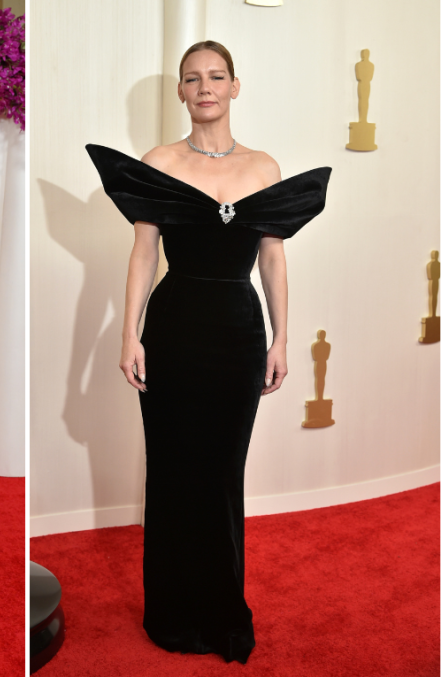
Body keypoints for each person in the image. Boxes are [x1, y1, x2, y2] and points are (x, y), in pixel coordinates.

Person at [86, 41, 330, 662]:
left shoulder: (264, 167)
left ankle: (221, 611)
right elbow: (144, 254)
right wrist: (128, 332)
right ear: (181, 91)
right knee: (172, 470)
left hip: (238, 333)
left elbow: (273, 257)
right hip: (173, 328)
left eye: (216, 77)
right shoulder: (159, 161)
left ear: (235, 86)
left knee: (223, 474)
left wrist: (281, 337)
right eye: (192, 78)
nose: (205, 87)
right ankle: (171, 615)